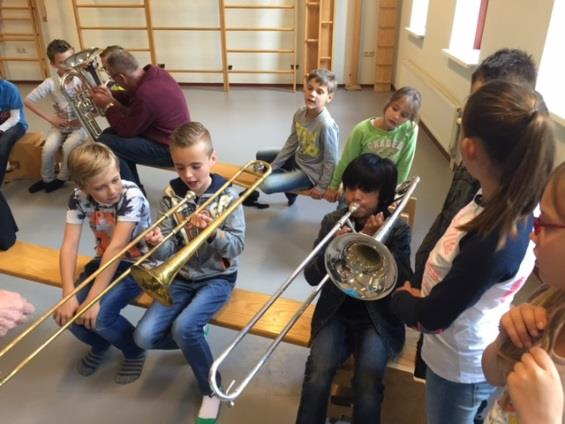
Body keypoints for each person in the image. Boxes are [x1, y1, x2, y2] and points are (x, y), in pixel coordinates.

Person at [389, 81, 555, 424]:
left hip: (460, 365)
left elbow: (434, 316)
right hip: (460, 343)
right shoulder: (505, 197)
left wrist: (402, 299)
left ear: (469, 148)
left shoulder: (495, 240)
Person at [411, 48, 539, 381]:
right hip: (440, 319)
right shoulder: (487, 182)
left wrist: (411, 306)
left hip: (455, 343)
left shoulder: (498, 235)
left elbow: (445, 307)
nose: (471, 120)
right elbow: (451, 215)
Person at [133, 122, 245, 424]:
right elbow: (167, 252)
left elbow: (236, 247)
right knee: (143, 337)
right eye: (180, 167)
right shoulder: (173, 193)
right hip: (180, 276)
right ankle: (194, 340)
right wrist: (158, 243)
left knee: (184, 328)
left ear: (212, 159)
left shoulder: (227, 196)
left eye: (196, 166)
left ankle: (212, 389)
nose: (188, 176)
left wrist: (212, 233)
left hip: (217, 278)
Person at [295, 153, 412, 424]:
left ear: (383, 195)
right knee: (318, 371)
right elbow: (312, 277)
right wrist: (330, 250)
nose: (354, 196)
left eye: (365, 190)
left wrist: (374, 242)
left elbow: (405, 280)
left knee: (369, 378)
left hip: (378, 318)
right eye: (349, 187)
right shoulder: (332, 222)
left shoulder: (397, 229)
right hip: (336, 313)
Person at [413, 48, 537, 289]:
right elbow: (450, 212)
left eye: (484, 108)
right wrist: (424, 260)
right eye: (472, 102)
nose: (472, 117)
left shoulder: (511, 211)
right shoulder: (476, 157)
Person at [53, 143, 151, 384]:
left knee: (100, 317)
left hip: (138, 264)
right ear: (82, 187)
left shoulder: (132, 196)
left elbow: (117, 248)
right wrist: (69, 295)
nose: (112, 190)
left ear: (118, 170)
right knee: (68, 316)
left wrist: (93, 299)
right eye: (100, 187)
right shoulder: (77, 198)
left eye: (115, 180)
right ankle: (103, 344)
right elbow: (69, 246)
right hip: (104, 261)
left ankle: (134, 350)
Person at [482, 161, 565, 424]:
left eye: (545, 224)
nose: (533, 235)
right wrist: (505, 340)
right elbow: (492, 373)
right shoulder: (548, 299)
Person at [91, 48, 190, 189]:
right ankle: (132, 187)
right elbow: (134, 97)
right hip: (177, 140)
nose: (114, 82)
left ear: (121, 78)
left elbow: (126, 131)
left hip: (171, 150)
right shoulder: (156, 73)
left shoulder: (147, 94)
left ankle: (134, 195)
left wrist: (108, 106)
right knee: (109, 135)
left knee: (106, 142)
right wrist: (110, 95)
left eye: (113, 79)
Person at [244, 68, 339, 208]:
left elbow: (331, 160)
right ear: (304, 88)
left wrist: (322, 186)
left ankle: (291, 186)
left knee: (266, 185)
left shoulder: (326, 125)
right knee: (261, 154)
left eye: (319, 91)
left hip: (310, 173)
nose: (312, 94)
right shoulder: (300, 113)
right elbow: (292, 142)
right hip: (299, 158)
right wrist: (274, 166)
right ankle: (288, 182)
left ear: (329, 98)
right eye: (310, 88)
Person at [324, 86, 422, 203]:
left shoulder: (410, 130)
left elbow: (404, 166)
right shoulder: (362, 130)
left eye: (404, 115)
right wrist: (333, 186)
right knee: (344, 215)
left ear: (409, 120)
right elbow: (346, 161)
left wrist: (395, 195)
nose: (396, 116)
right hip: (358, 185)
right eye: (395, 108)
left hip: (383, 188)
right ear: (388, 104)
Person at [25, 39, 89, 194]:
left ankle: (62, 177)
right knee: (48, 148)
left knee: (68, 147)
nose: (67, 66)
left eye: (70, 60)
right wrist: (51, 118)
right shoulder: (50, 82)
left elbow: (95, 105)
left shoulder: (82, 78)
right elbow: (27, 100)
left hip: (79, 126)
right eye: (61, 62)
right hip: (59, 125)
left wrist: (82, 119)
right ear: (53, 64)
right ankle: (46, 179)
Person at [0, 77, 28, 185]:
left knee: (2, 147)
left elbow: (15, 118)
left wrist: (1, 129)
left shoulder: (10, 89)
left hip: (16, 125)